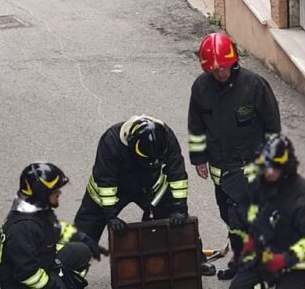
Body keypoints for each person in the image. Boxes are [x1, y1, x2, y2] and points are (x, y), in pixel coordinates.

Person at [188, 31, 281, 280]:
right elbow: (196, 126)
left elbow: (273, 127)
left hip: (251, 170)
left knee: (252, 220)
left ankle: (266, 267)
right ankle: (240, 262)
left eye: (224, 68)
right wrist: (198, 159)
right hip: (222, 173)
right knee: (230, 219)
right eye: (215, 70)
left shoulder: (254, 86)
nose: (220, 73)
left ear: (234, 60)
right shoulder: (201, 88)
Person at [73, 114, 215, 275]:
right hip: (114, 188)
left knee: (175, 220)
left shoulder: (166, 138)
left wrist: (180, 207)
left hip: (149, 185)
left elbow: (177, 173)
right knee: (87, 227)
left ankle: (194, 261)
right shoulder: (111, 141)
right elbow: (105, 180)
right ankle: (73, 271)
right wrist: (110, 216)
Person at [0, 162, 104, 289]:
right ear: (42, 194)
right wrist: (54, 288)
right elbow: (26, 273)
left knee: (82, 251)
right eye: (55, 190)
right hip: (21, 284)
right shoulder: (23, 228)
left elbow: (48, 238)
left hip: (41, 265)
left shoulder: (36, 209)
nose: (60, 193)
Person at [228, 134, 305, 289]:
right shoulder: (261, 185)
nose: (270, 172)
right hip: (269, 254)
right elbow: (257, 217)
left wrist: (285, 259)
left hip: (296, 259)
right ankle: (274, 279)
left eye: (275, 167)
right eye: (266, 166)